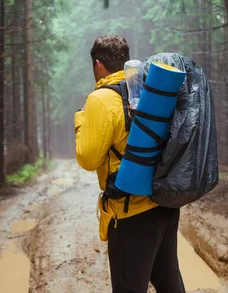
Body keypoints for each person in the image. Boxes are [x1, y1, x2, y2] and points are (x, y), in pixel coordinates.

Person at [74, 35, 185, 293]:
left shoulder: (100, 99)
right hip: (164, 205)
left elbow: (87, 159)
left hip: (131, 213)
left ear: (98, 65)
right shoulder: (148, 90)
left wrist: (80, 119)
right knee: (170, 284)